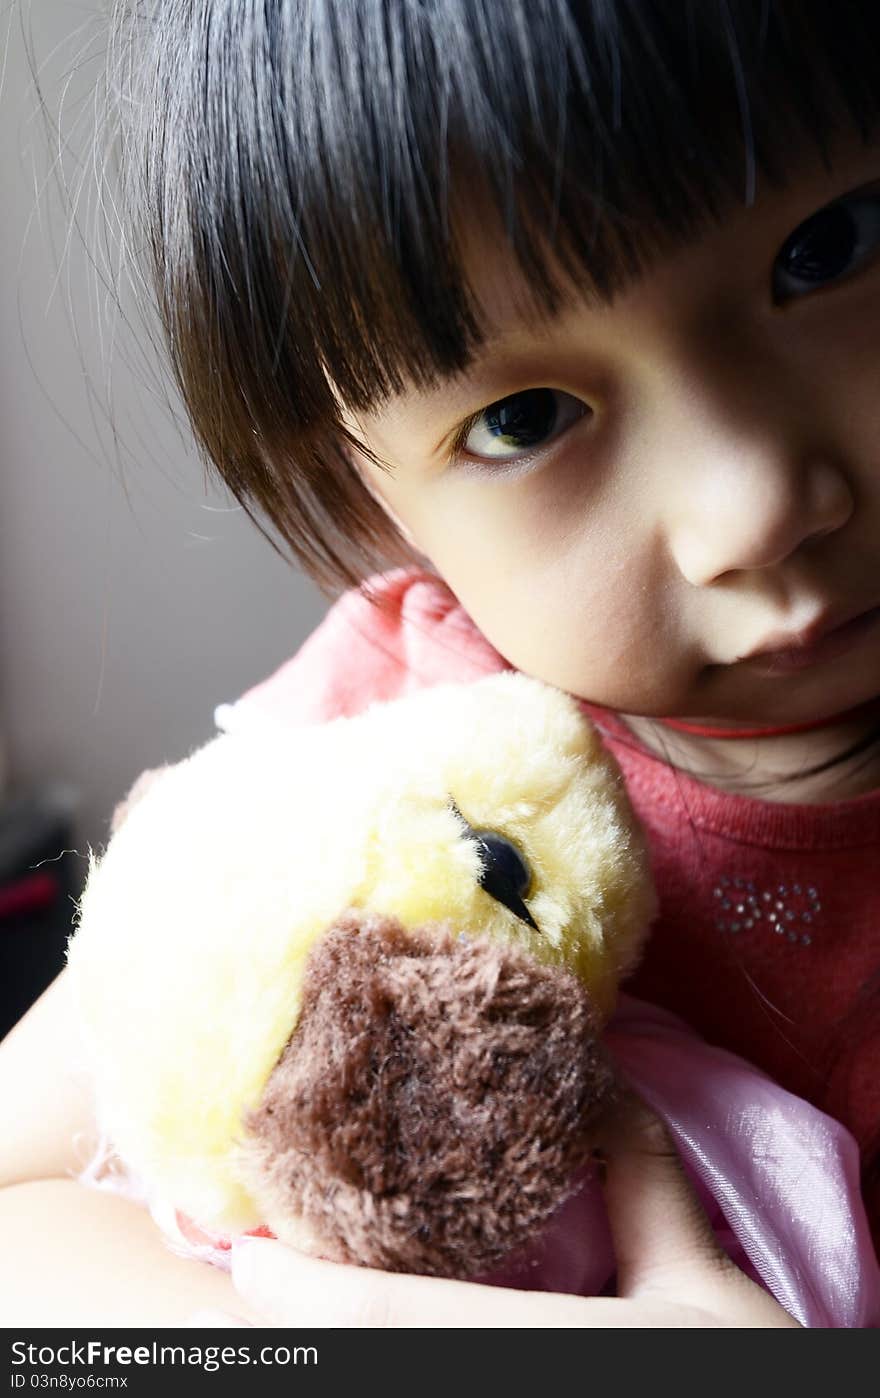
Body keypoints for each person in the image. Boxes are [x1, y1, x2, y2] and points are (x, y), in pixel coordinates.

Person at [2, 0, 879, 1326]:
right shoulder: (393, 750)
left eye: (829, 250)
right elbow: (19, 1208)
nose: (751, 503)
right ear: (370, 503)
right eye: (526, 418)